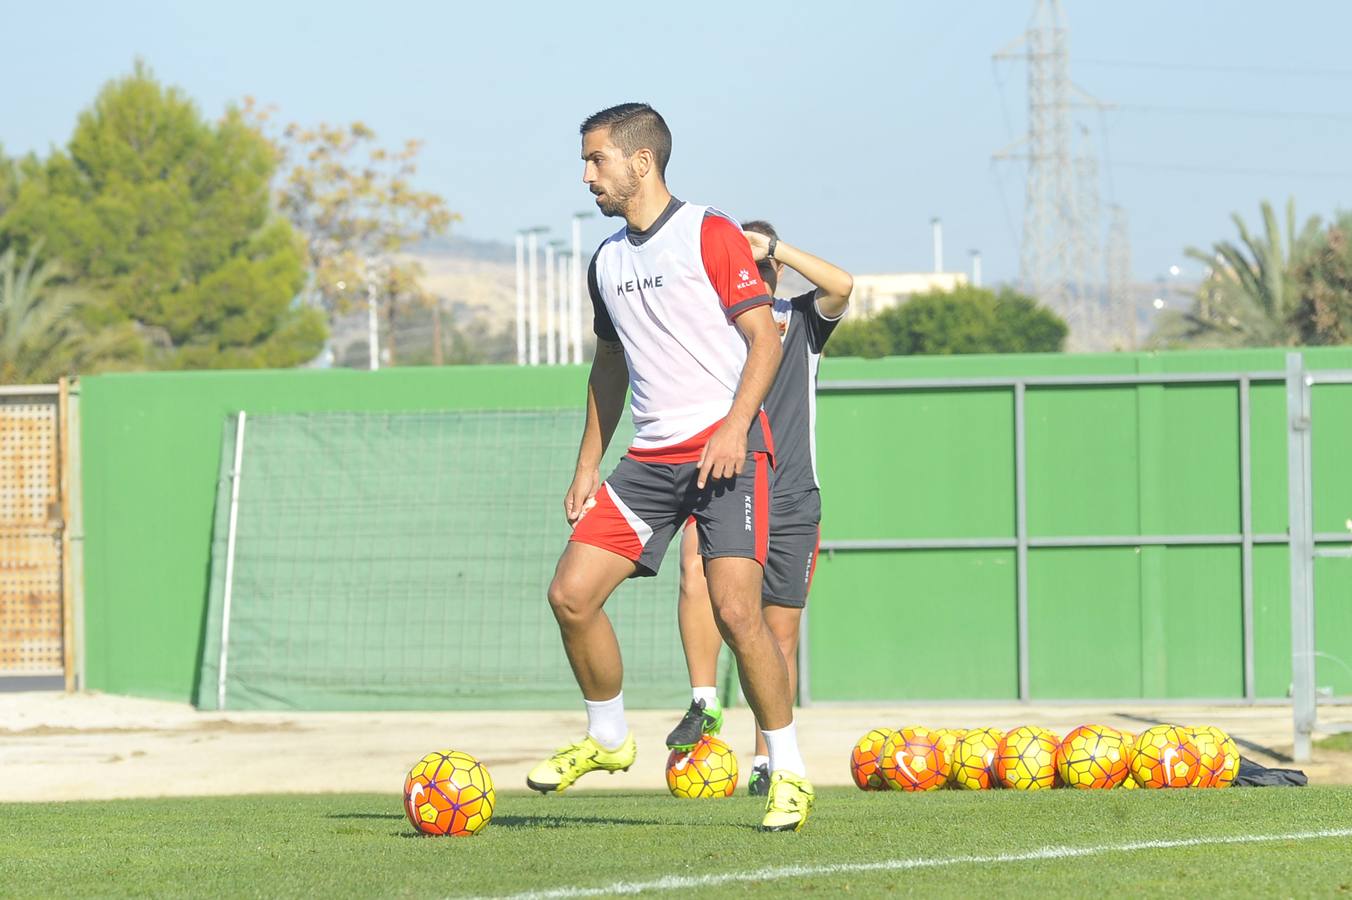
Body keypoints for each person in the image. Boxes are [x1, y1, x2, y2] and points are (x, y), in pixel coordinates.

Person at [524, 103, 814, 831]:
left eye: (597, 160)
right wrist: (587, 463)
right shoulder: (607, 261)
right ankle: (608, 737)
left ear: (640, 162)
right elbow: (608, 367)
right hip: (648, 462)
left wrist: (734, 428)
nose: (587, 175)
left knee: (738, 613)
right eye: (586, 162)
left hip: (728, 456)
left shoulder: (709, 233)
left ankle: (789, 770)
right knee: (570, 595)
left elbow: (765, 342)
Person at [664, 221, 851, 796]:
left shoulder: (801, 320)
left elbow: (843, 285)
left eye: (760, 264)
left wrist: (774, 249)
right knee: (694, 575)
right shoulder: (718, 327)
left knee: (779, 632)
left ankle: (770, 756)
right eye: (741, 262)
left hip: (792, 495)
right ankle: (704, 700)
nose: (752, 272)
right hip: (729, 482)